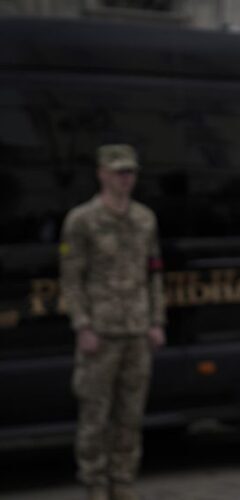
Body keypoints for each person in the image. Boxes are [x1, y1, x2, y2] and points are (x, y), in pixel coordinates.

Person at [60, 144, 166, 500]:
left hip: (136, 329)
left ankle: (123, 482)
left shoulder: (144, 219)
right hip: (101, 333)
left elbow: (154, 273)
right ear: (102, 173)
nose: (126, 178)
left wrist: (156, 321)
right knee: (94, 414)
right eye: (119, 172)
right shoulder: (82, 220)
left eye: (130, 172)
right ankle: (95, 484)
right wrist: (83, 326)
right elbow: (72, 279)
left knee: (130, 414)